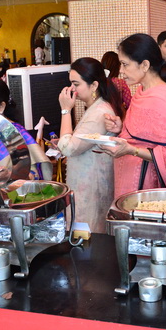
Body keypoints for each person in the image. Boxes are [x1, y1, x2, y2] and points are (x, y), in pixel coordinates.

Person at [100, 33, 166, 197]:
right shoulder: (142, 91)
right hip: (129, 176)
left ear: (145, 65)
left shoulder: (164, 98)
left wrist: (133, 150)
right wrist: (121, 127)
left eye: (125, 64)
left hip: (149, 185)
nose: (121, 71)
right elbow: (141, 133)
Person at [55, 58, 124, 232]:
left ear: (94, 86)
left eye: (76, 84)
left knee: (89, 233)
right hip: (88, 183)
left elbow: (68, 148)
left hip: (90, 186)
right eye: (71, 83)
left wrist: (65, 110)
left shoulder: (99, 113)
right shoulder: (95, 108)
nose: (72, 89)